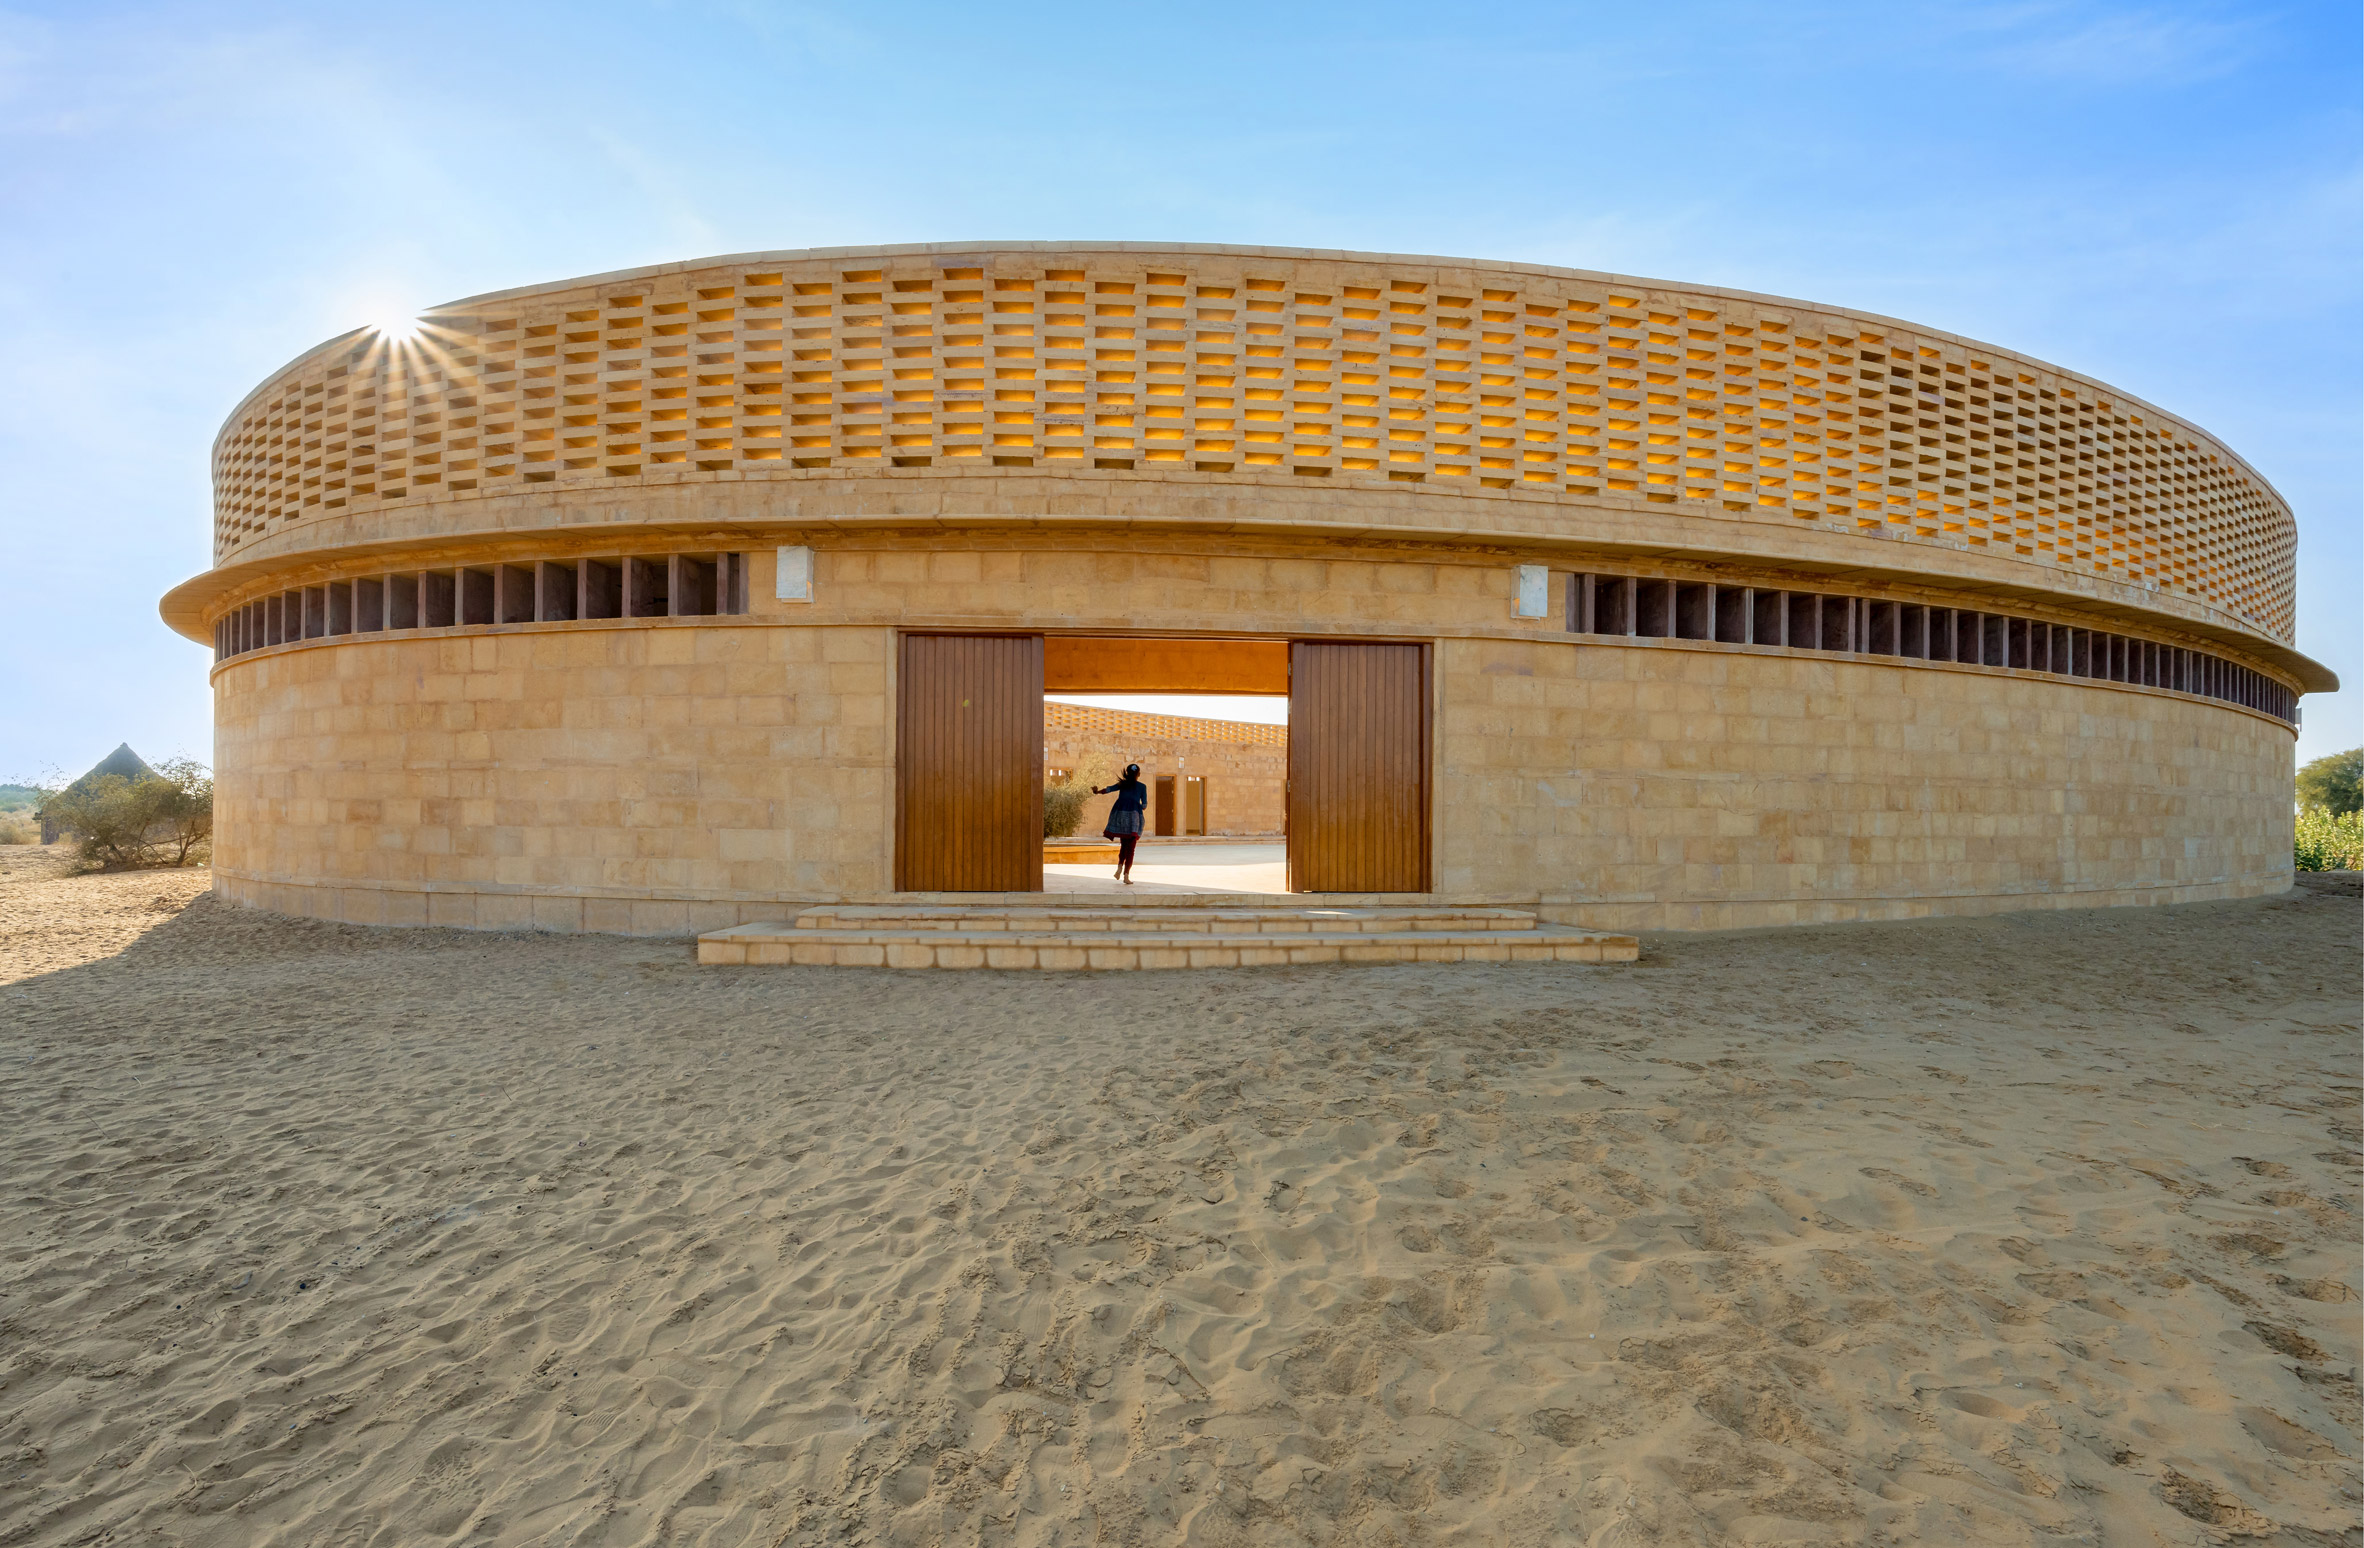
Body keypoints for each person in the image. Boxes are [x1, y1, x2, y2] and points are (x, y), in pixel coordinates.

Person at [1094, 763, 1149, 884]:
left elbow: (1109, 789)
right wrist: (1137, 804)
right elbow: (1144, 806)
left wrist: (1097, 792)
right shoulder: (1142, 787)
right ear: (1138, 774)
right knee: (1131, 848)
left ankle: (1119, 868)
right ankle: (1126, 875)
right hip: (1134, 819)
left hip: (1121, 816)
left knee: (1123, 845)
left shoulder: (1122, 784)